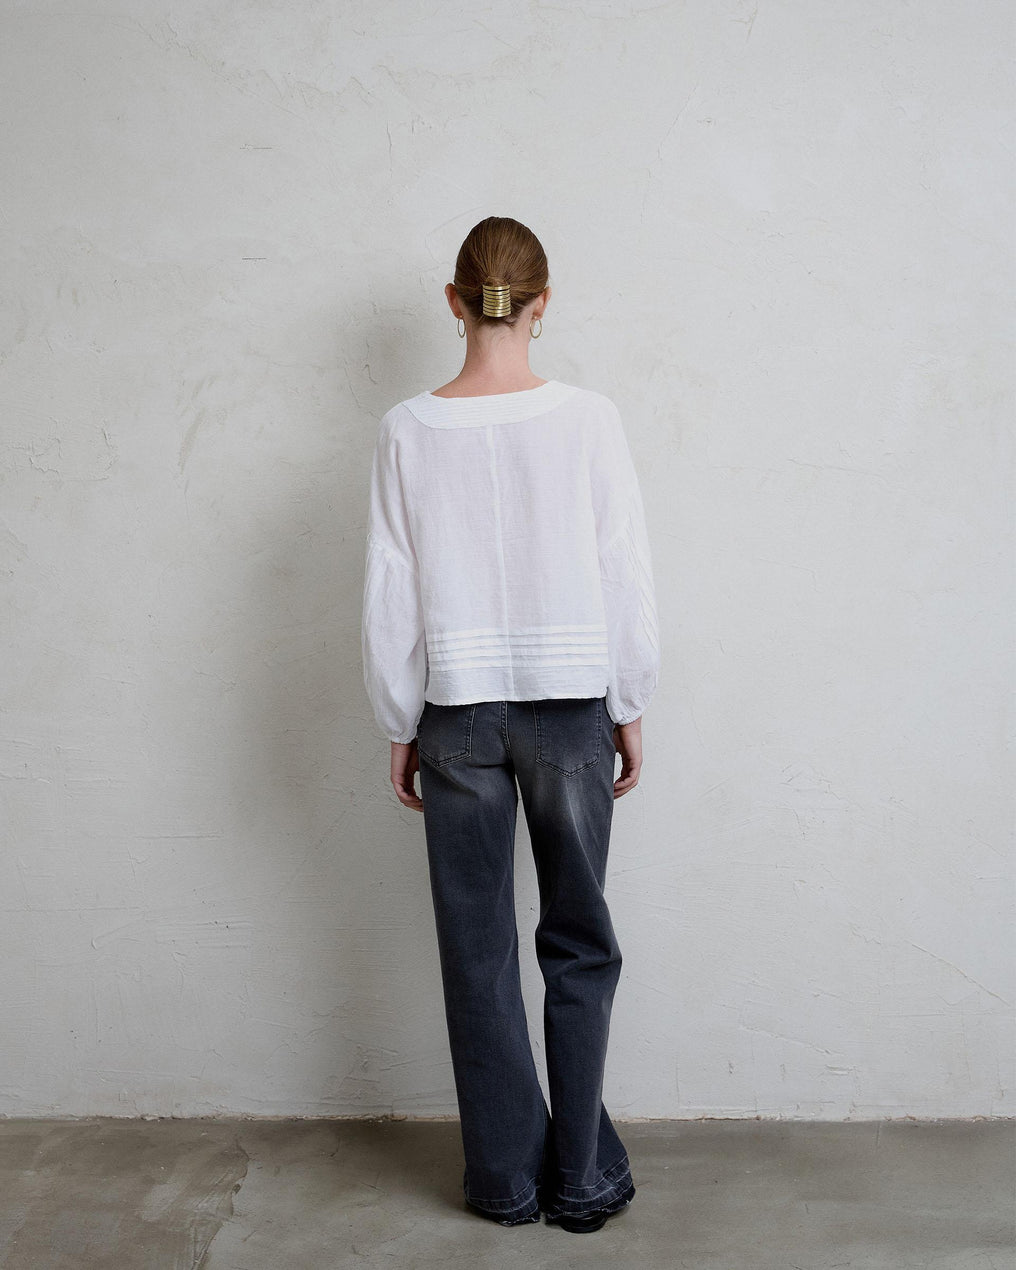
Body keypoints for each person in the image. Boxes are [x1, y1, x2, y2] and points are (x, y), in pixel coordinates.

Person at [361, 216, 660, 1234]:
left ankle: (504, 1181)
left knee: (476, 949)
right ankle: (580, 1177)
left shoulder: (406, 429)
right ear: (542, 303)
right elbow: (622, 568)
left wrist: (398, 718)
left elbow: (391, 587)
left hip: (455, 710)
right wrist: (628, 701)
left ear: (454, 302)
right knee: (577, 937)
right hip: (571, 706)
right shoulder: (589, 420)